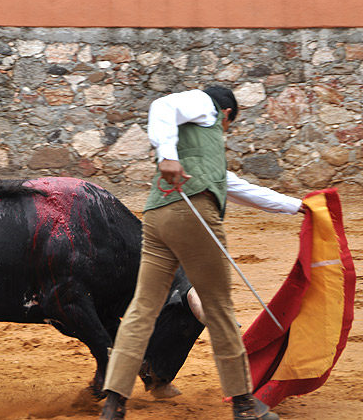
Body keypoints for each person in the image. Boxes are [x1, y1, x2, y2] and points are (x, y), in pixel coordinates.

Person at [99, 86, 304, 420]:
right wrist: (166, 155)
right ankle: (243, 404)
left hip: (156, 216)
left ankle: (114, 403)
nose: (223, 133)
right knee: (219, 307)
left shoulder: (200, 152)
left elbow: (239, 188)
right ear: (226, 115)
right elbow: (162, 104)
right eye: (228, 126)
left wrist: (298, 206)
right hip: (192, 214)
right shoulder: (205, 106)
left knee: (142, 309)